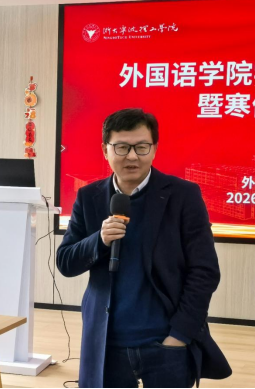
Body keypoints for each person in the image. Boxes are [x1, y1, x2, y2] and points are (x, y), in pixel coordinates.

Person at [57, 108, 232, 388]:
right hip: (105, 343)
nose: (132, 156)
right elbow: (66, 262)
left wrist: (179, 336)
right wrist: (99, 240)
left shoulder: (183, 196)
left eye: (141, 147)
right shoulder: (89, 197)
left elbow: (205, 271)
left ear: (154, 149)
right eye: (122, 147)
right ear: (105, 150)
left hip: (166, 342)